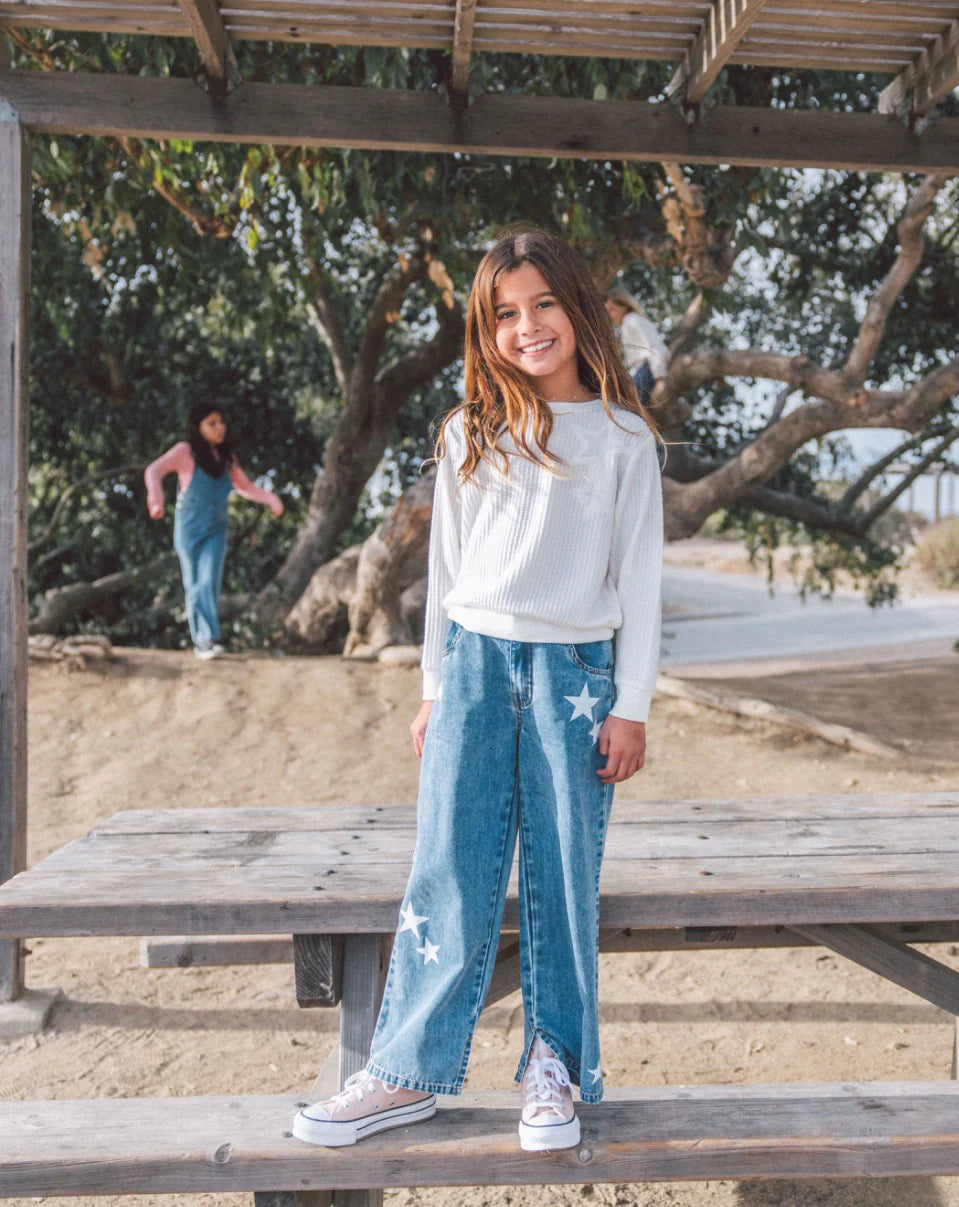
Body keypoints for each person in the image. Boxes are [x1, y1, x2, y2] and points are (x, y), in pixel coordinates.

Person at [293, 230, 663, 1153]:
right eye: (505, 313)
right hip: (473, 667)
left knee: (562, 878)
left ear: (578, 308)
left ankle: (554, 1063)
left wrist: (633, 704)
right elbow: (448, 573)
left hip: (576, 678)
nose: (527, 326)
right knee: (448, 868)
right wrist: (433, 687)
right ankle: (404, 1070)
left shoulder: (624, 438)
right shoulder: (469, 431)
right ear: (484, 329)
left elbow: (641, 582)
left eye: (543, 304)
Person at [144, 404, 284, 659]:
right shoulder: (185, 452)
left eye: (221, 422)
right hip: (189, 531)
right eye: (212, 423)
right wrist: (156, 499)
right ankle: (202, 642)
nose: (220, 428)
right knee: (194, 583)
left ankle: (207, 639)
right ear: (198, 427)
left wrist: (270, 499)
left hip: (216, 529)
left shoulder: (226, 457)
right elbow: (153, 471)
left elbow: (245, 486)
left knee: (209, 580)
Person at [605, 287, 669, 406]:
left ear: (624, 306)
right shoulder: (624, 326)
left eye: (612, 309)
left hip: (648, 369)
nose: (609, 314)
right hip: (639, 371)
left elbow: (654, 345)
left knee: (625, 405)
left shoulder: (633, 319)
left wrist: (660, 378)